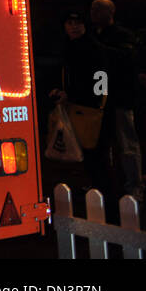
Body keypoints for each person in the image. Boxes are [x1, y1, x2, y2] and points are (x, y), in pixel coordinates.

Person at [89, 0, 144, 202]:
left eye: (98, 9)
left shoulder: (121, 36)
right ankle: (108, 185)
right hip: (100, 100)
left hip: (120, 98)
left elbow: (127, 60)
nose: (93, 13)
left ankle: (134, 186)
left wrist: (98, 48)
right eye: (93, 9)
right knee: (102, 145)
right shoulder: (95, 35)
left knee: (127, 144)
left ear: (110, 13)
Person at [50, 12, 109, 192]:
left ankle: (100, 189)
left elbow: (100, 79)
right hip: (74, 107)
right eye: (70, 23)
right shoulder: (65, 47)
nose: (74, 27)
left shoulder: (93, 49)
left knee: (93, 153)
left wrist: (92, 100)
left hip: (90, 109)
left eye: (78, 23)